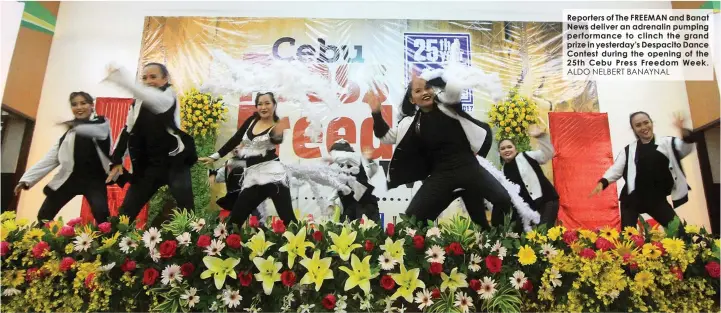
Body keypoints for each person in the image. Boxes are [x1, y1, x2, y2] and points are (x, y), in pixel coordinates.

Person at [368, 71, 513, 230]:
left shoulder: (449, 104)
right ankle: (424, 251)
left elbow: (453, 87)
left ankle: (496, 241)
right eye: (418, 91)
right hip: (441, 175)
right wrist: (376, 112)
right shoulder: (410, 123)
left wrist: (430, 77)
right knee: (412, 220)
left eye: (427, 88)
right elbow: (386, 137)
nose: (424, 93)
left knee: (503, 200)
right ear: (412, 99)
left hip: (468, 167)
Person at [103, 62, 197, 222]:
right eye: (144, 78)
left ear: (165, 78)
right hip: (147, 167)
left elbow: (150, 98)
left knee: (186, 211)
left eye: (153, 77)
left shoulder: (168, 95)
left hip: (174, 163)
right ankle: (111, 242)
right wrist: (116, 160)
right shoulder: (137, 103)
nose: (148, 81)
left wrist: (120, 78)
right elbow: (127, 130)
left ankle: (192, 244)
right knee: (126, 214)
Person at [15, 92, 119, 224]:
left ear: (92, 105)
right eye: (74, 104)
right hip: (70, 178)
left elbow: (100, 131)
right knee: (44, 215)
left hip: (95, 180)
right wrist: (26, 180)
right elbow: (49, 159)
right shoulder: (68, 136)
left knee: (102, 215)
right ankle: (47, 242)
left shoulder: (101, 123)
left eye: (83, 103)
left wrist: (74, 125)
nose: (79, 107)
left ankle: (105, 242)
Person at [199, 92, 295, 226]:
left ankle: (309, 246)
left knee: (289, 220)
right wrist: (214, 157)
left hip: (274, 178)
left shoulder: (277, 126)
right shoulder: (252, 120)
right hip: (253, 178)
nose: (263, 107)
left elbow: (277, 138)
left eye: (267, 103)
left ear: (274, 105)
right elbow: (236, 139)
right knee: (235, 221)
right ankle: (230, 245)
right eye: (260, 104)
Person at [590, 111, 695, 229]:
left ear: (651, 122)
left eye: (646, 123)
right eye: (638, 125)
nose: (644, 127)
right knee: (629, 236)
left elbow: (685, 149)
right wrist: (603, 182)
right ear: (633, 129)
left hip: (656, 199)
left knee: (677, 231)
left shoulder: (667, 143)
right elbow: (616, 169)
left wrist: (684, 132)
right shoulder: (629, 150)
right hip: (631, 199)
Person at [498, 123, 559, 227]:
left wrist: (541, 137)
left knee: (544, 235)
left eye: (509, 147)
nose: (506, 150)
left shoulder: (527, 156)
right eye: (503, 148)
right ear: (499, 152)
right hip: (530, 209)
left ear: (515, 149)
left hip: (547, 200)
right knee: (533, 238)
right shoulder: (503, 170)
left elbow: (548, 154)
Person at [325, 139, 382, 223]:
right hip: (350, 206)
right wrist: (330, 203)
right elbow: (338, 188)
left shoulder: (355, 158)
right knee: (343, 227)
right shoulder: (342, 169)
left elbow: (341, 156)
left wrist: (333, 156)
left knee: (364, 231)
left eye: (334, 152)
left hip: (365, 206)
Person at [207, 145, 265, 221]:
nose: (235, 149)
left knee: (258, 224)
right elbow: (217, 175)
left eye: (238, 146)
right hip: (234, 202)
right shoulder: (230, 164)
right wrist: (213, 174)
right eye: (233, 147)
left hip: (254, 203)